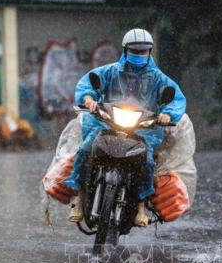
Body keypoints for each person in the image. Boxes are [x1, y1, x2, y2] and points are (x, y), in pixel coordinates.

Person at [64, 28, 186, 227]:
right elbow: (88, 83)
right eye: (134, 51)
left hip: (143, 128)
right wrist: (88, 99)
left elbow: (176, 99)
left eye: (143, 51)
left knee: (146, 162)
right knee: (85, 149)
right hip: (106, 122)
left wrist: (167, 114)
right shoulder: (110, 71)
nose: (139, 55)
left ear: (150, 51)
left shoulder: (159, 78)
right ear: (125, 50)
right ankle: (78, 197)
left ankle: (140, 206)